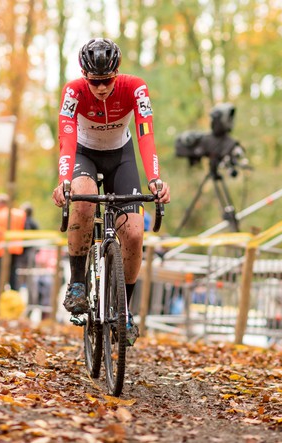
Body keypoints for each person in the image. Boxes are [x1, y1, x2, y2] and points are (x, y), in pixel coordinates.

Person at [50, 38, 171, 345]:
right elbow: (66, 136)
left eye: (107, 81)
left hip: (122, 155)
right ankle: (77, 280)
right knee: (84, 198)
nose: (101, 88)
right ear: (84, 75)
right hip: (83, 154)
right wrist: (64, 179)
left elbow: (145, 133)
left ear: (117, 73)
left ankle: (125, 309)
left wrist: (155, 179)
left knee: (133, 233)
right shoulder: (73, 91)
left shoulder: (135, 87)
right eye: (95, 82)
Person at [0, 193, 26, 294]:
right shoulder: (20, 214)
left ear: (0, 204)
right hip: (15, 250)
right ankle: (14, 303)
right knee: (13, 279)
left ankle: (0, 304)